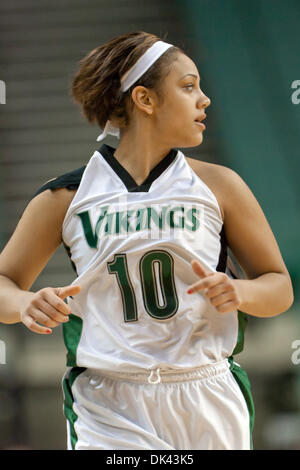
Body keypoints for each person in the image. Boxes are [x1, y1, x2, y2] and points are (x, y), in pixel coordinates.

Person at [0, 31, 294, 450]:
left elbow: (279, 288)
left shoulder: (220, 186)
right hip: (107, 401)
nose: (204, 99)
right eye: (189, 86)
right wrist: (25, 303)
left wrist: (240, 291)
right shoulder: (64, 197)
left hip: (206, 392)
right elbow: (3, 284)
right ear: (145, 99)